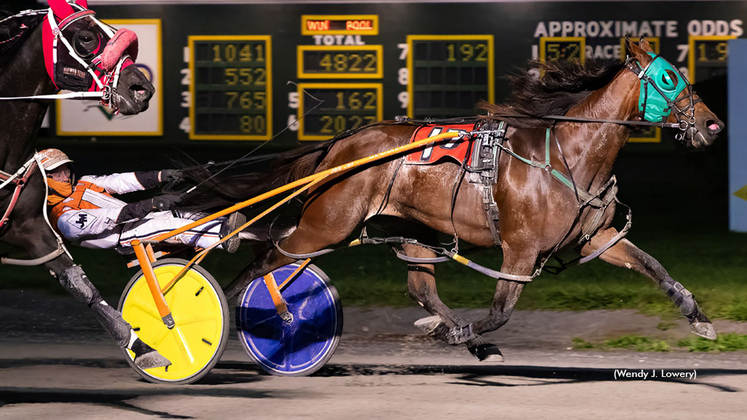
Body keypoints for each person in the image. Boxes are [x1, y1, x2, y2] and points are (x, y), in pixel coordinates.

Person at [39, 148, 245, 253]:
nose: (65, 177)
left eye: (65, 170)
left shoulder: (85, 183)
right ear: (45, 180)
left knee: (186, 212)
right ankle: (223, 238)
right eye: (57, 174)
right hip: (126, 236)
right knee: (173, 224)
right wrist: (152, 204)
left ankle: (242, 230)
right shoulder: (63, 217)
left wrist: (164, 175)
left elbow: (122, 181)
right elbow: (111, 218)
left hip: (138, 221)